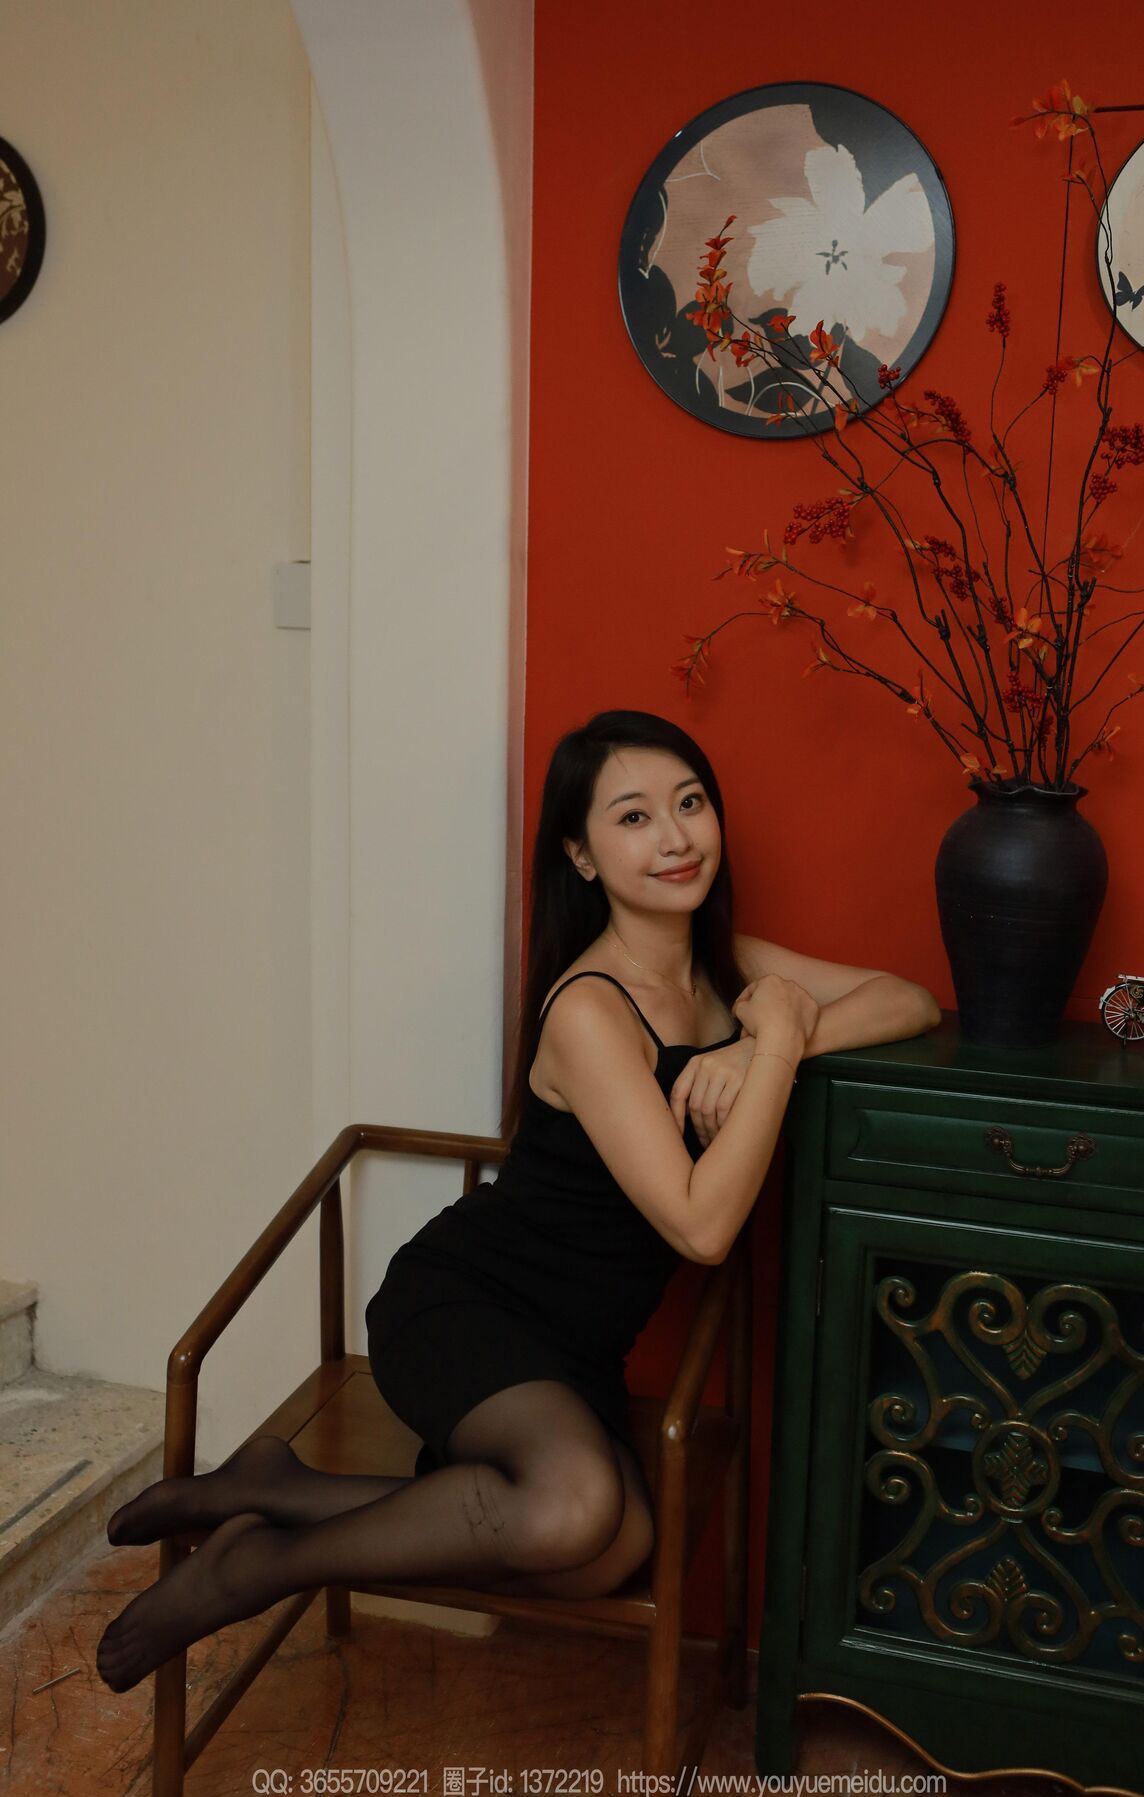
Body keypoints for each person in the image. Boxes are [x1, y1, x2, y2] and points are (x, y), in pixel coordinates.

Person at [96, 709, 939, 1693]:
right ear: (580, 854)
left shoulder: (730, 970)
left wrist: (764, 1045)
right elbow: (703, 1227)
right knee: (574, 1511)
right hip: (466, 1304)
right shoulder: (590, 1008)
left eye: (690, 803)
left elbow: (910, 999)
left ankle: (282, 1489)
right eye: (634, 817)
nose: (675, 837)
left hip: (575, 1349)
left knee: (606, 1551)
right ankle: (258, 1566)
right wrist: (781, 1041)